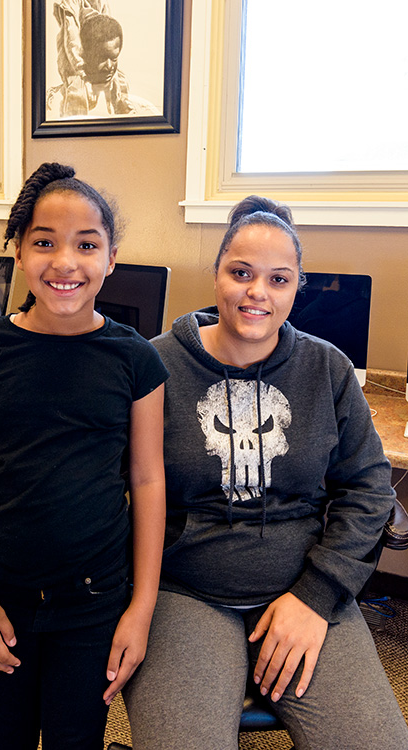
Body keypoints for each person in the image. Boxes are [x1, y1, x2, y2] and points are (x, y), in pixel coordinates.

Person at [123, 195, 408, 749]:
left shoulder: (328, 368)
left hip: (306, 588)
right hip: (186, 593)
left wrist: (317, 595)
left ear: (297, 286)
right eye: (241, 273)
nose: (258, 292)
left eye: (279, 279)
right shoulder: (153, 366)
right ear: (216, 276)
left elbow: (370, 489)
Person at [0, 162, 168, 750]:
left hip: (93, 603)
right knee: (4, 734)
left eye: (87, 245)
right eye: (44, 242)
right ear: (18, 252)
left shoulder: (136, 359)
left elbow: (146, 481)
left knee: (76, 735)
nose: (65, 261)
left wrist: (141, 608)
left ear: (111, 258)